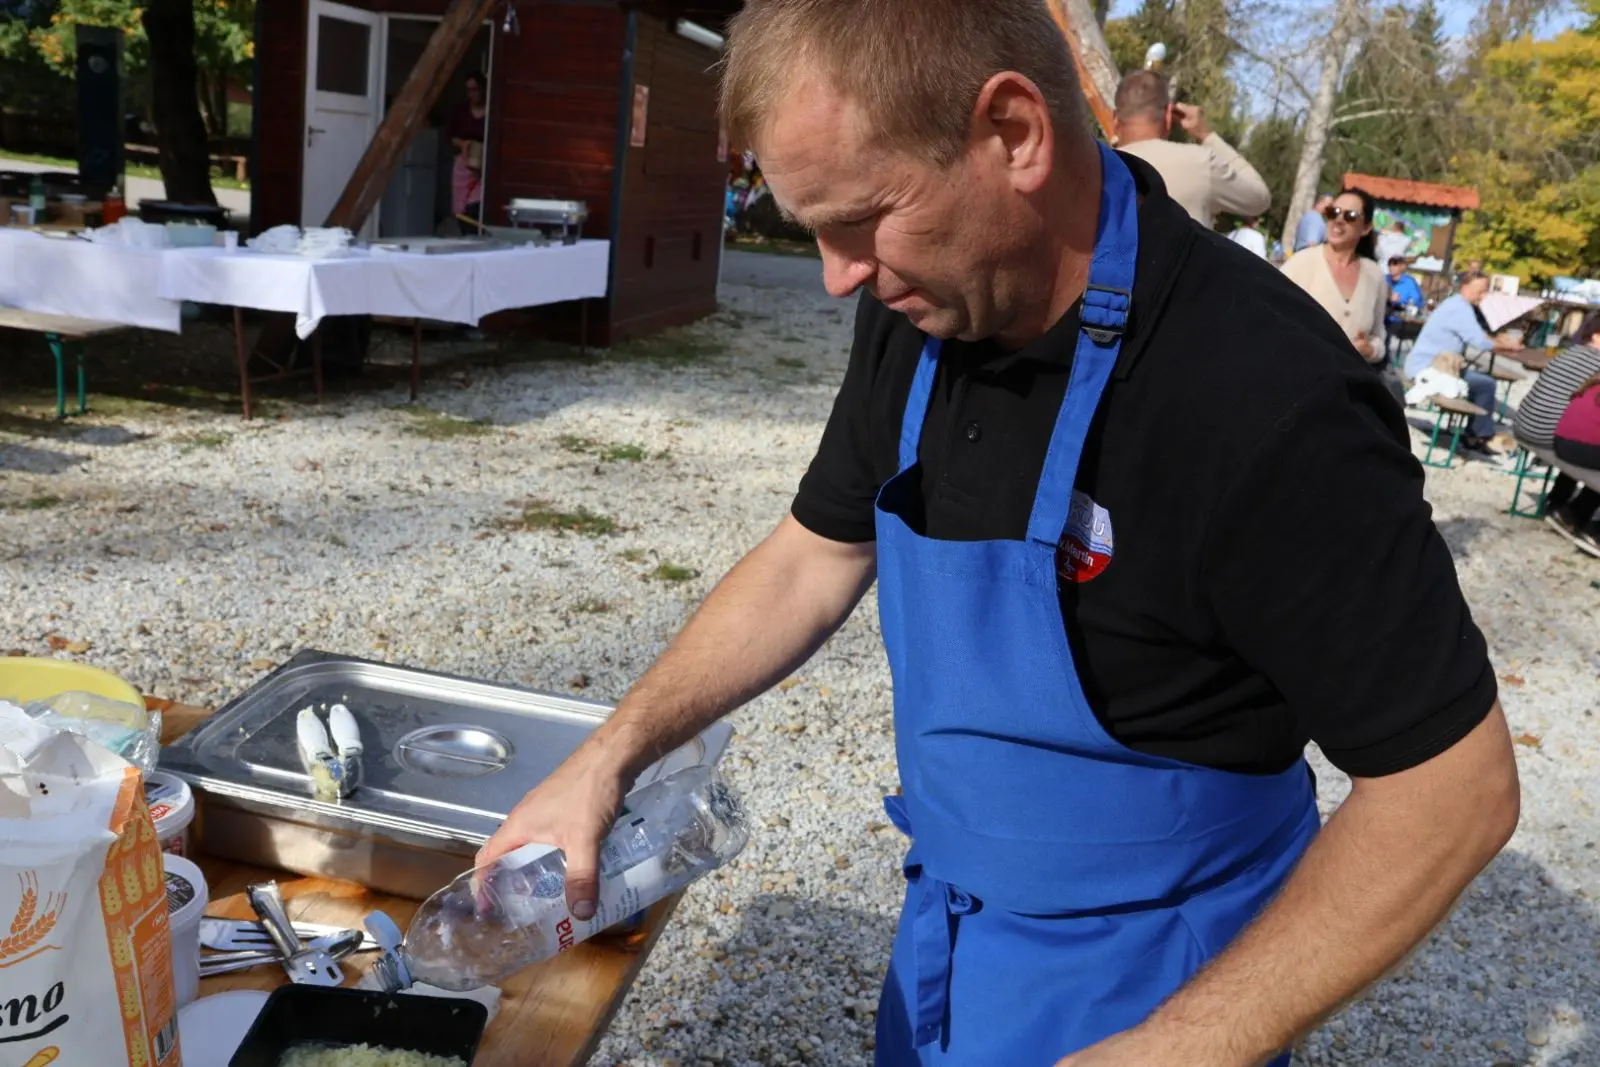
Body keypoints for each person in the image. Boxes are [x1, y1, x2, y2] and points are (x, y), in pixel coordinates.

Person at [478, 2, 1519, 1064]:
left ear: (1014, 132)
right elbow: (813, 553)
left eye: (862, 217)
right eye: (815, 231)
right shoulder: (920, 307)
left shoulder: (1263, 396)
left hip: (1165, 980)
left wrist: (1175, 1048)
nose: (837, 274)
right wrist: (606, 759)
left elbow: (1451, 786)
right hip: (948, 940)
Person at [1111, 70, 1269, 229]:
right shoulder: (1201, 163)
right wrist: (1207, 135)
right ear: (1168, 116)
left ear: (1115, 120)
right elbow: (1259, 199)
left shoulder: (1096, 168)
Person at [1406, 271, 1525, 454]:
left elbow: (1478, 336)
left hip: (1428, 364)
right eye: (1479, 291)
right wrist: (1509, 345)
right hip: (1431, 370)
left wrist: (1501, 342)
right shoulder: (1460, 308)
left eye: (1485, 291)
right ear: (1464, 287)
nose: (1483, 296)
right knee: (1486, 384)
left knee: (1480, 380)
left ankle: (1475, 430)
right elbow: (1481, 342)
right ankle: (1478, 436)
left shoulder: (1454, 303)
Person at [1512, 310, 1600, 556]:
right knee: (1586, 442)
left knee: (1583, 435)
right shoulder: (1596, 363)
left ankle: (1559, 501)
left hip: (1525, 424)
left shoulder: (1569, 353)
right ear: (1596, 336)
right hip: (1548, 434)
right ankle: (1574, 514)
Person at [1280, 189, 1389, 371]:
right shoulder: (1300, 264)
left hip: (1347, 389)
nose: (1339, 220)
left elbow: (1379, 337)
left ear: (1366, 228)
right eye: (1333, 212)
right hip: (1296, 377)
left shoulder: (1374, 275)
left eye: (1350, 216)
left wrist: (1369, 350)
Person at [448, 71, 488, 220]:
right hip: (464, 165)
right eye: (468, 90)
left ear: (483, 90)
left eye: (475, 89)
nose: (471, 94)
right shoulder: (461, 111)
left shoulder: (491, 111)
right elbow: (451, 137)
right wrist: (464, 143)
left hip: (483, 164)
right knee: (461, 207)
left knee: (477, 205)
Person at [1384, 255, 1426, 361]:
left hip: (1398, 319)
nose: (1391, 267)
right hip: (1383, 314)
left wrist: (1399, 301)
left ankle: (1386, 360)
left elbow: (1417, 302)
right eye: (1390, 264)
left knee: (1386, 330)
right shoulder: (1384, 279)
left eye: (1395, 264)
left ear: (1402, 267)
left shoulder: (1409, 282)